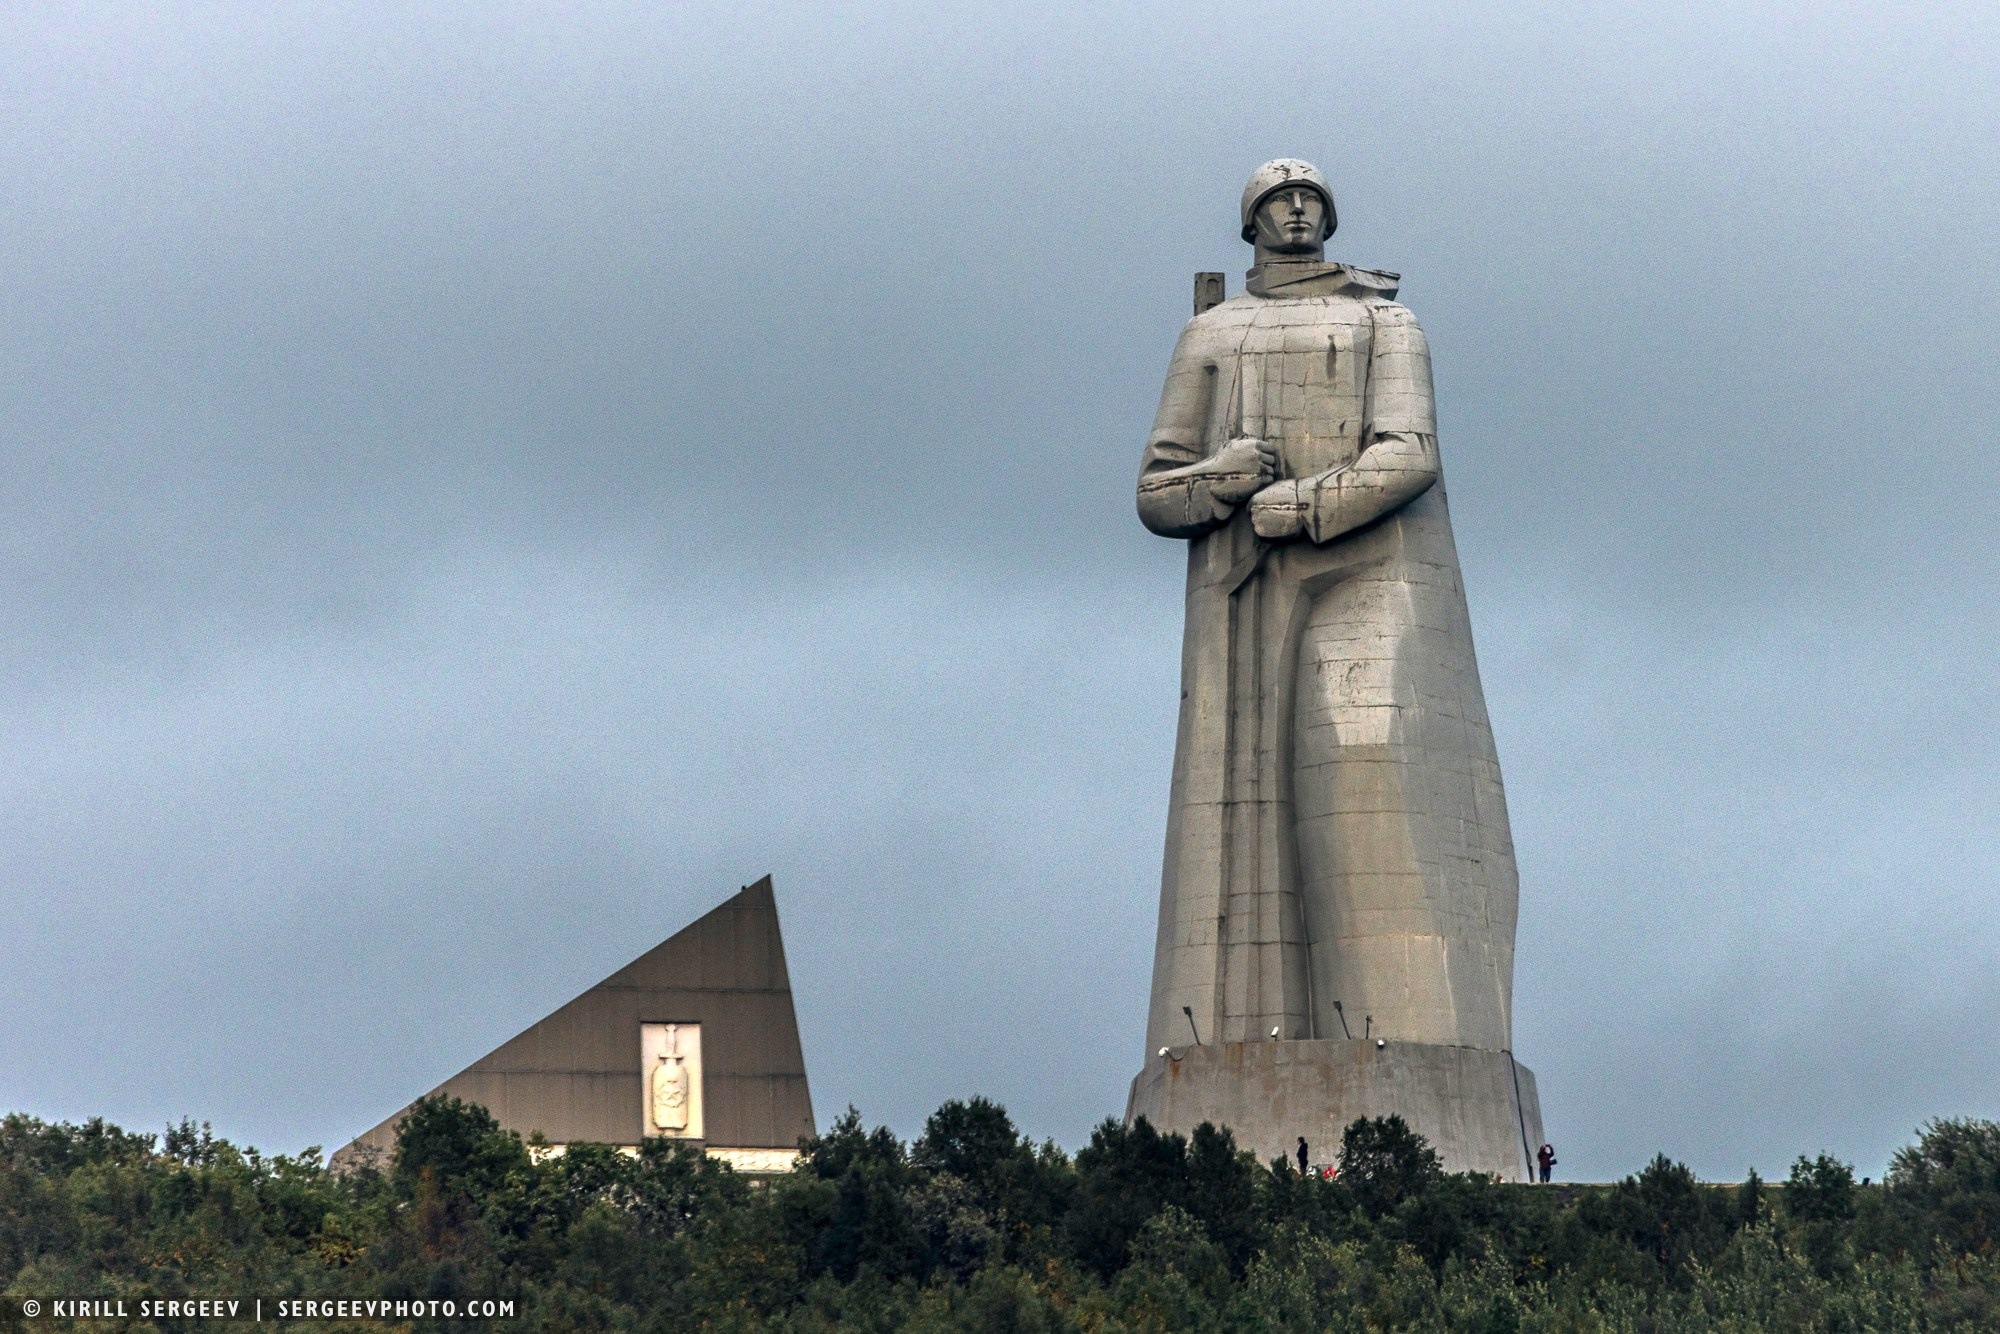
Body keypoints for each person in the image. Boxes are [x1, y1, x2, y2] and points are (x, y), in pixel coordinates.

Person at [1137, 159, 1522, 1056]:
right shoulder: (1210, 334)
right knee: (1237, 820)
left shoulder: (1386, 321)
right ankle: (1233, 1041)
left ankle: (1410, 1038)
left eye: (1312, 199)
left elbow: (1410, 451)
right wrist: (1218, 481)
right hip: (1243, 596)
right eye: (1279, 201)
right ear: (1252, 225)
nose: (1300, 211)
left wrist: (1306, 506)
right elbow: (1157, 492)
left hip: (1371, 571)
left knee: (1363, 769)